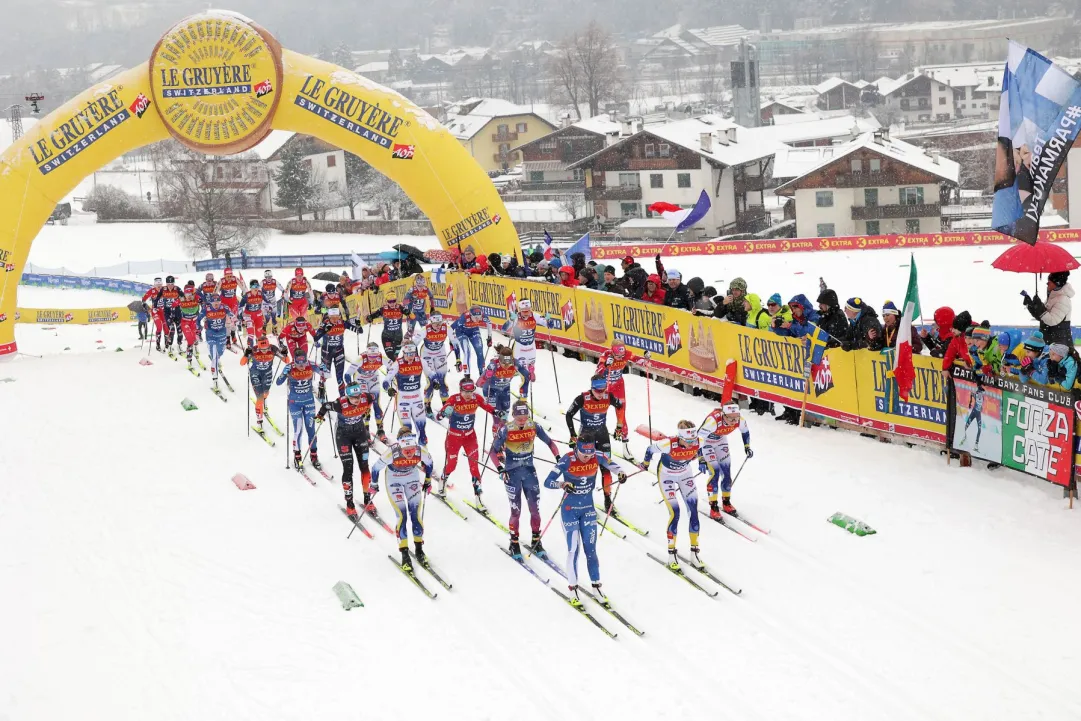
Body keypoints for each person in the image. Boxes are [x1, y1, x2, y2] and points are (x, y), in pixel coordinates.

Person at [543, 431, 627, 605]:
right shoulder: (567, 459)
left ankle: (596, 586)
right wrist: (562, 484)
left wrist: (621, 473)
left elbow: (614, 465)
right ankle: (572, 589)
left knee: (591, 550)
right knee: (574, 549)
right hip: (569, 510)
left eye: (590, 454)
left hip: (588, 510)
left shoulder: (597, 455)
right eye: (583, 454)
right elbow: (547, 481)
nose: (587, 458)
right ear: (577, 450)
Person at [489, 399, 560, 559]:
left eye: (525, 417)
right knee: (516, 510)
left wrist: (558, 457)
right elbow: (493, 451)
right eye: (519, 417)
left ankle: (536, 539)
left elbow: (550, 442)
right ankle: (514, 543)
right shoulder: (506, 429)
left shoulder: (533, 426)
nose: (522, 420)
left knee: (535, 509)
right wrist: (500, 469)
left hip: (529, 472)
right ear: (513, 416)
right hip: (512, 473)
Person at [640, 420, 707, 567]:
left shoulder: (698, 441)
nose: (691, 444)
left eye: (693, 440)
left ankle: (695, 553)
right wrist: (645, 464)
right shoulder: (668, 444)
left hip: (685, 474)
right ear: (680, 437)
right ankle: (671, 555)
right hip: (666, 476)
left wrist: (702, 461)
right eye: (688, 441)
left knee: (693, 511)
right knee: (675, 512)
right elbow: (650, 449)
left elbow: (700, 448)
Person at [372, 428, 435, 571]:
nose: (409, 452)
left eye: (411, 448)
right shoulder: (392, 451)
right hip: (393, 480)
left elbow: (430, 463)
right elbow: (375, 468)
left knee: (415, 514)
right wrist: (373, 484)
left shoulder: (420, 450)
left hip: (411, 478)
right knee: (402, 515)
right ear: (400, 445)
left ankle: (419, 550)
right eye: (405, 449)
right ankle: (405, 554)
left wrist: (428, 480)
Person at [565, 376, 623, 515]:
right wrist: (572, 435)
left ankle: (607, 500)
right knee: (584, 470)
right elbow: (568, 414)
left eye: (603, 390)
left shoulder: (608, 396)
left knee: (606, 468)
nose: (601, 394)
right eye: (598, 391)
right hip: (585, 438)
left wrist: (619, 426)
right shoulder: (582, 398)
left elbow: (620, 407)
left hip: (603, 436)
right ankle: (580, 500)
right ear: (592, 388)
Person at [317, 381, 377, 517]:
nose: (356, 400)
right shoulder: (340, 404)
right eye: (353, 397)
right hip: (343, 435)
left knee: (365, 466)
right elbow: (325, 405)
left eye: (358, 396)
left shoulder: (366, 398)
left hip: (360, 433)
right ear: (347, 397)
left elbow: (374, 396)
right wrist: (320, 416)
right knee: (348, 468)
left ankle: (368, 499)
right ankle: (349, 503)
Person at [436, 376, 495, 502]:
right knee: (452, 465)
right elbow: (438, 417)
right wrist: (444, 413)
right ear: (460, 390)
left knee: (474, 466)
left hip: (470, 437)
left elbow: (488, 407)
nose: (468, 395)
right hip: (454, 438)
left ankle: (478, 496)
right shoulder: (454, 399)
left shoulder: (476, 398)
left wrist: (497, 413)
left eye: (471, 391)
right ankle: (442, 480)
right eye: (465, 392)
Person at [276, 352, 329, 471]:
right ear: (295, 362)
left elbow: (328, 375)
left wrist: (324, 369)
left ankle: (314, 455)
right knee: (298, 429)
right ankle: (297, 455)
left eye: (304, 363)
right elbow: (278, 383)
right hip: (295, 403)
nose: (302, 367)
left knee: (311, 429)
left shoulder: (311, 364)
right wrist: (284, 374)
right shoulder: (289, 367)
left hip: (309, 402)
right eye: (299, 364)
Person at [698, 401, 751, 518]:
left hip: (721, 441)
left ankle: (726, 502)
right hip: (706, 443)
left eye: (736, 418)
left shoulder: (739, 419)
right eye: (731, 419)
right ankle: (713, 507)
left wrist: (747, 447)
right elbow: (698, 438)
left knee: (726, 473)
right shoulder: (713, 421)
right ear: (723, 415)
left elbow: (745, 431)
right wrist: (701, 459)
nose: (734, 422)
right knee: (714, 473)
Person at [594, 340, 646, 443]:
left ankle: (623, 436)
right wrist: (605, 365)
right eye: (617, 356)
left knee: (621, 410)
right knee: (600, 410)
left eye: (622, 355)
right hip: (604, 387)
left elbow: (637, 359)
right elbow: (597, 372)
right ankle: (594, 432)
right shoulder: (606, 355)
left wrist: (646, 361)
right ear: (612, 351)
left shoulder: (626, 354)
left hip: (618, 386)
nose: (620, 358)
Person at [501, 299, 549, 396]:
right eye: (524, 311)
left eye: (528, 310)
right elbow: (503, 329)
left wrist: (549, 320)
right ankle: (504, 386)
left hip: (531, 348)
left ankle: (525, 374)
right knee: (523, 375)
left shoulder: (534, 315)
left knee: (529, 372)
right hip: (519, 349)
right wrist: (510, 320)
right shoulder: (516, 317)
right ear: (520, 310)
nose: (526, 314)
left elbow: (550, 326)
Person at [383, 340, 428, 445]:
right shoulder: (398, 363)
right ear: (403, 353)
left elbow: (431, 374)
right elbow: (386, 380)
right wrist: (389, 389)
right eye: (408, 354)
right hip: (403, 401)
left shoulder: (420, 360)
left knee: (422, 430)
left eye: (413, 353)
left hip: (417, 399)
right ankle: (409, 451)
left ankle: (423, 456)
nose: (411, 356)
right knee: (407, 430)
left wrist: (434, 381)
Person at [345, 342, 388, 443]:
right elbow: (348, 373)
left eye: (375, 356)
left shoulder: (381, 357)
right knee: (365, 404)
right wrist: (350, 384)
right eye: (370, 356)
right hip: (360, 378)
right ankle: (365, 430)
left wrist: (390, 379)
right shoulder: (361, 358)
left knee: (376, 403)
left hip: (373, 378)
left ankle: (380, 430)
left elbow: (394, 367)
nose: (372, 358)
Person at [241, 334, 286, 432]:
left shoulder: (273, 349)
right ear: (258, 346)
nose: (265, 351)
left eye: (266, 348)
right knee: (260, 398)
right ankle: (259, 421)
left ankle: (261, 403)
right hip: (255, 374)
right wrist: (246, 354)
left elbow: (287, 361)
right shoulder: (254, 350)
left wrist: (285, 354)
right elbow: (242, 363)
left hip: (267, 374)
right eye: (262, 349)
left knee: (265, 393)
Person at [313, 307, 360, 397]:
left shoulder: (343, 323)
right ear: (329, 317)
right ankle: (321, 391)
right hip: (327, 352)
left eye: (337, 317)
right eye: (332, 318)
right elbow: (316, 338)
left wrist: (358, 324)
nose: (335, 320)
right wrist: (325, 330)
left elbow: (359, 331)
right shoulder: (325, 324)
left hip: (339, 351)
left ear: (339, 316)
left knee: (339, 377)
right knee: (325, 375)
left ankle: (342, 397)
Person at [1023, 270, 1073, 345]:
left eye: (1049, 281)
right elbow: (1042, 318)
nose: (1047, 283)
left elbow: (1052, 321)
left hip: (1059, 345)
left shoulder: (1063, 299)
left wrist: (1040, 308)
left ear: (1057, 283)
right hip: (1049, 341)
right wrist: (1031, 306)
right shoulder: (1053, 297)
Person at [480, 345, 522, 431]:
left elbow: (527, 374)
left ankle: (502, 439)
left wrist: (530, 373)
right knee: (497, 418)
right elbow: (479, 383)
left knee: (504, 419)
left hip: (505, 390)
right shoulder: (493, 364)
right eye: (504, 363)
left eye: (508, 363)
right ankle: (496, 439)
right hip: (491, 390)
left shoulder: (515, 363)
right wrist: (485, 376)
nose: (506, 366)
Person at [420, 313, 453, 416]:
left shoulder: (447, 328)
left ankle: (445, 405)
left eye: (440, 323)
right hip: (426, 354)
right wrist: (416, 360)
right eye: (436, 324)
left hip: (440, 353)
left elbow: (455, 342)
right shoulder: (425, 329)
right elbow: (413, 344)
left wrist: (458, 360)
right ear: (431, 323)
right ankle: (427, 405)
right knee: (431, 382)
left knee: (442, 380)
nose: (438, 326)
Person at [202, 294, 236, 390]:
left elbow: (232, 315)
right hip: (211, 334)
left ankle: (217, 359)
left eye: (218, 302)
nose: (216, 304)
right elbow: (199, 317)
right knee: (215, 358)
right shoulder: (207, 308)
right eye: (214, 303)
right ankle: (215, 381)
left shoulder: (224, 307)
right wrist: (197, 327)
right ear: (211, 303)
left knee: (220, 352)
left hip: (221, 334)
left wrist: (235, 320)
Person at [451, 305, 493, 378]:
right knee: (467, 351)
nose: (477, 319)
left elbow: (489, 323)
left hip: (474, 331)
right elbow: (451, 328)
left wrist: (489, 337)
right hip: (461, 332)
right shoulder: (464, 317)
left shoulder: (483, 316)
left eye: (479, 317)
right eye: (475, 317)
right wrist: (451, 342)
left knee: (479, 349)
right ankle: (467, 375)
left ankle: (482, 373)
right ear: (470, 315)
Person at [367, 290, 406, 361]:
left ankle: (391, 370)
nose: (392, 303)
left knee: (395, 356)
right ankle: (392, 369)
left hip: (398, 337)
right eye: (390, 301)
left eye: (394, 301)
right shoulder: (384, 309)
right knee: (390, 356)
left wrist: (410, 314)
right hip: (387, 337)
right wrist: (370, 317)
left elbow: (410, 314)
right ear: (386, 301)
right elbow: (375, 314)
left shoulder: (400, 308)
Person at [941, 309, 974, 377]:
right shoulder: (956, 339)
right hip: (969, 377)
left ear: (962, 329)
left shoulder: (975, 338)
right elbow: (949, 354)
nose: (952, 330)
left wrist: (971, 364)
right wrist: (945, 368)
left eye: (955, 328)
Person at [177, 284, 203, 369]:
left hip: (194, 321)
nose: (188, 297)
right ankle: (189, 358)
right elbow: (172, 304)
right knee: (190, 340)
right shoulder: (181, 299)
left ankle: (194, 348)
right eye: (186, 294)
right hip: (185, 322)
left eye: (190, 294)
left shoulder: (196, 298)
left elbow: (204, 300)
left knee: (194, 338)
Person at [156, 275, 183, 355]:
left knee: (180, 331)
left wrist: (178, 302)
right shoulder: (163, 289)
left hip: (177, 312)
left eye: (172, 284)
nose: (170, 285)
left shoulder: (177, 288)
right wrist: (155, 305)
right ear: (166, 284)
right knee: (171, 330)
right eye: (168, 284)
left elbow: (183, 297)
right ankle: (170, 347)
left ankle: (179, 345)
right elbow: (157, 298)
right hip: (167, 312)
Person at [218, 268, 243, 348]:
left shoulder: (235, 279)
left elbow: (244, 287)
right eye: (227, 276)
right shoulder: (221, 281)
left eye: (230, 276)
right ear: (224, 275)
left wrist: (245, 293)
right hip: (224, 304)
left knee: (234, 320)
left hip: (233, 303)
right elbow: (215, 292)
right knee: (227, 322)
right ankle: (227, 339)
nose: (229, 278)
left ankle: (233, 336)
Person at [959, 381, 986, 451]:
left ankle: (975, 445)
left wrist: (971, 402)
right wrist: (970, 402)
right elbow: (973, 394)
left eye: (980, 392)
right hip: (975, 413)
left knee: (978, 429)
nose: (980, 393)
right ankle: (963, 438)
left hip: (977, 413)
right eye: (980, 392)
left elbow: (972, 394)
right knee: (967, 426)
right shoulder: (978, 395)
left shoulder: (979, 395)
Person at [241, 279, 268, 348]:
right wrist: (242, 319)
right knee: (251, 333)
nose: (256, 288)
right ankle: (251, 348)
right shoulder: (247, 295)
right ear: (250, 287)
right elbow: (240, 307)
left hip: (258, 315)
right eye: (254, 286)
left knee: (259, 334)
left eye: (257, 286)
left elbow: (267, 302)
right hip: (248, 315)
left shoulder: (261, 293)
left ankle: (259, 347)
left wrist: (269, 308)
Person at [143, 277, 167, 351]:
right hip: (155, 311)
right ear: (154, 285)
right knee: (159, 327)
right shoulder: (152, 290)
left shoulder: (165, 289)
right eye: (157, 285)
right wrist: (145, 306)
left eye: (160, 285)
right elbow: (144, 299)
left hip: (164, 311)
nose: (159, 287)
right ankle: (158, 344)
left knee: (166, 328)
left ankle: (167, 344)